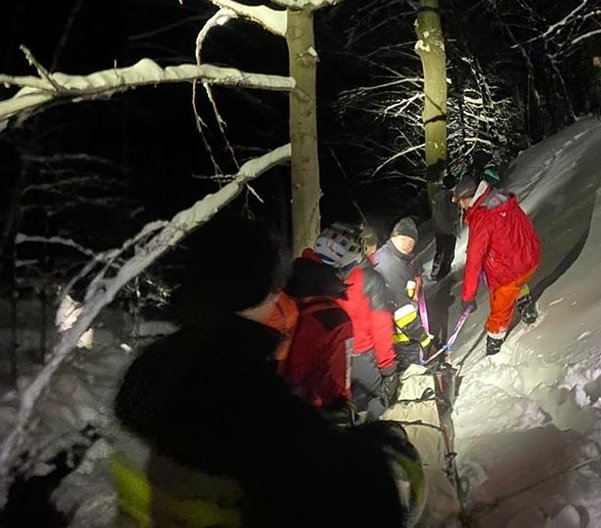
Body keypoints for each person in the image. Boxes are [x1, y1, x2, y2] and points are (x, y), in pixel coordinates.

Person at [111, 215, 404, 527]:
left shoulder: (150, 367)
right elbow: (357, 495)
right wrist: (375, 452)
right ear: (269, 290)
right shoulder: (255, 398)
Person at [307, 223, 400, 416]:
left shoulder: (301, 281)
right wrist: (388, 370)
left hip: (323, 363)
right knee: (383, 396)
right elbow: (381, 327)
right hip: (359, 355)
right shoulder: (367, 279)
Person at [452, 175, 541, 356]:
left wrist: (468, 296)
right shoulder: (502, 199)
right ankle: (525, 302)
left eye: (460, 202)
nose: (461, 206)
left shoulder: (483, 217)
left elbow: (474, 260)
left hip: (509, 273)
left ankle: (494, 344)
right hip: (529, 259)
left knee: (499, 308)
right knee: (517, 282)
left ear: (468, 197)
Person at [280, 256, 353, 409]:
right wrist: (341, 407)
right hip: (308, 407)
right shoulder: (335, 320)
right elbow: (337, 378)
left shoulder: (279, 306)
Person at [374, 217, 437, 368]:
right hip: (399, 337)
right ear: (393, 237)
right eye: (403, 239)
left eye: (411, 242)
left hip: (403, 332)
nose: (408, 245)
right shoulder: (389, 264)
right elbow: (401, 309)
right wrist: (422, 337)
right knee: (415, 372)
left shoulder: (400, 259)